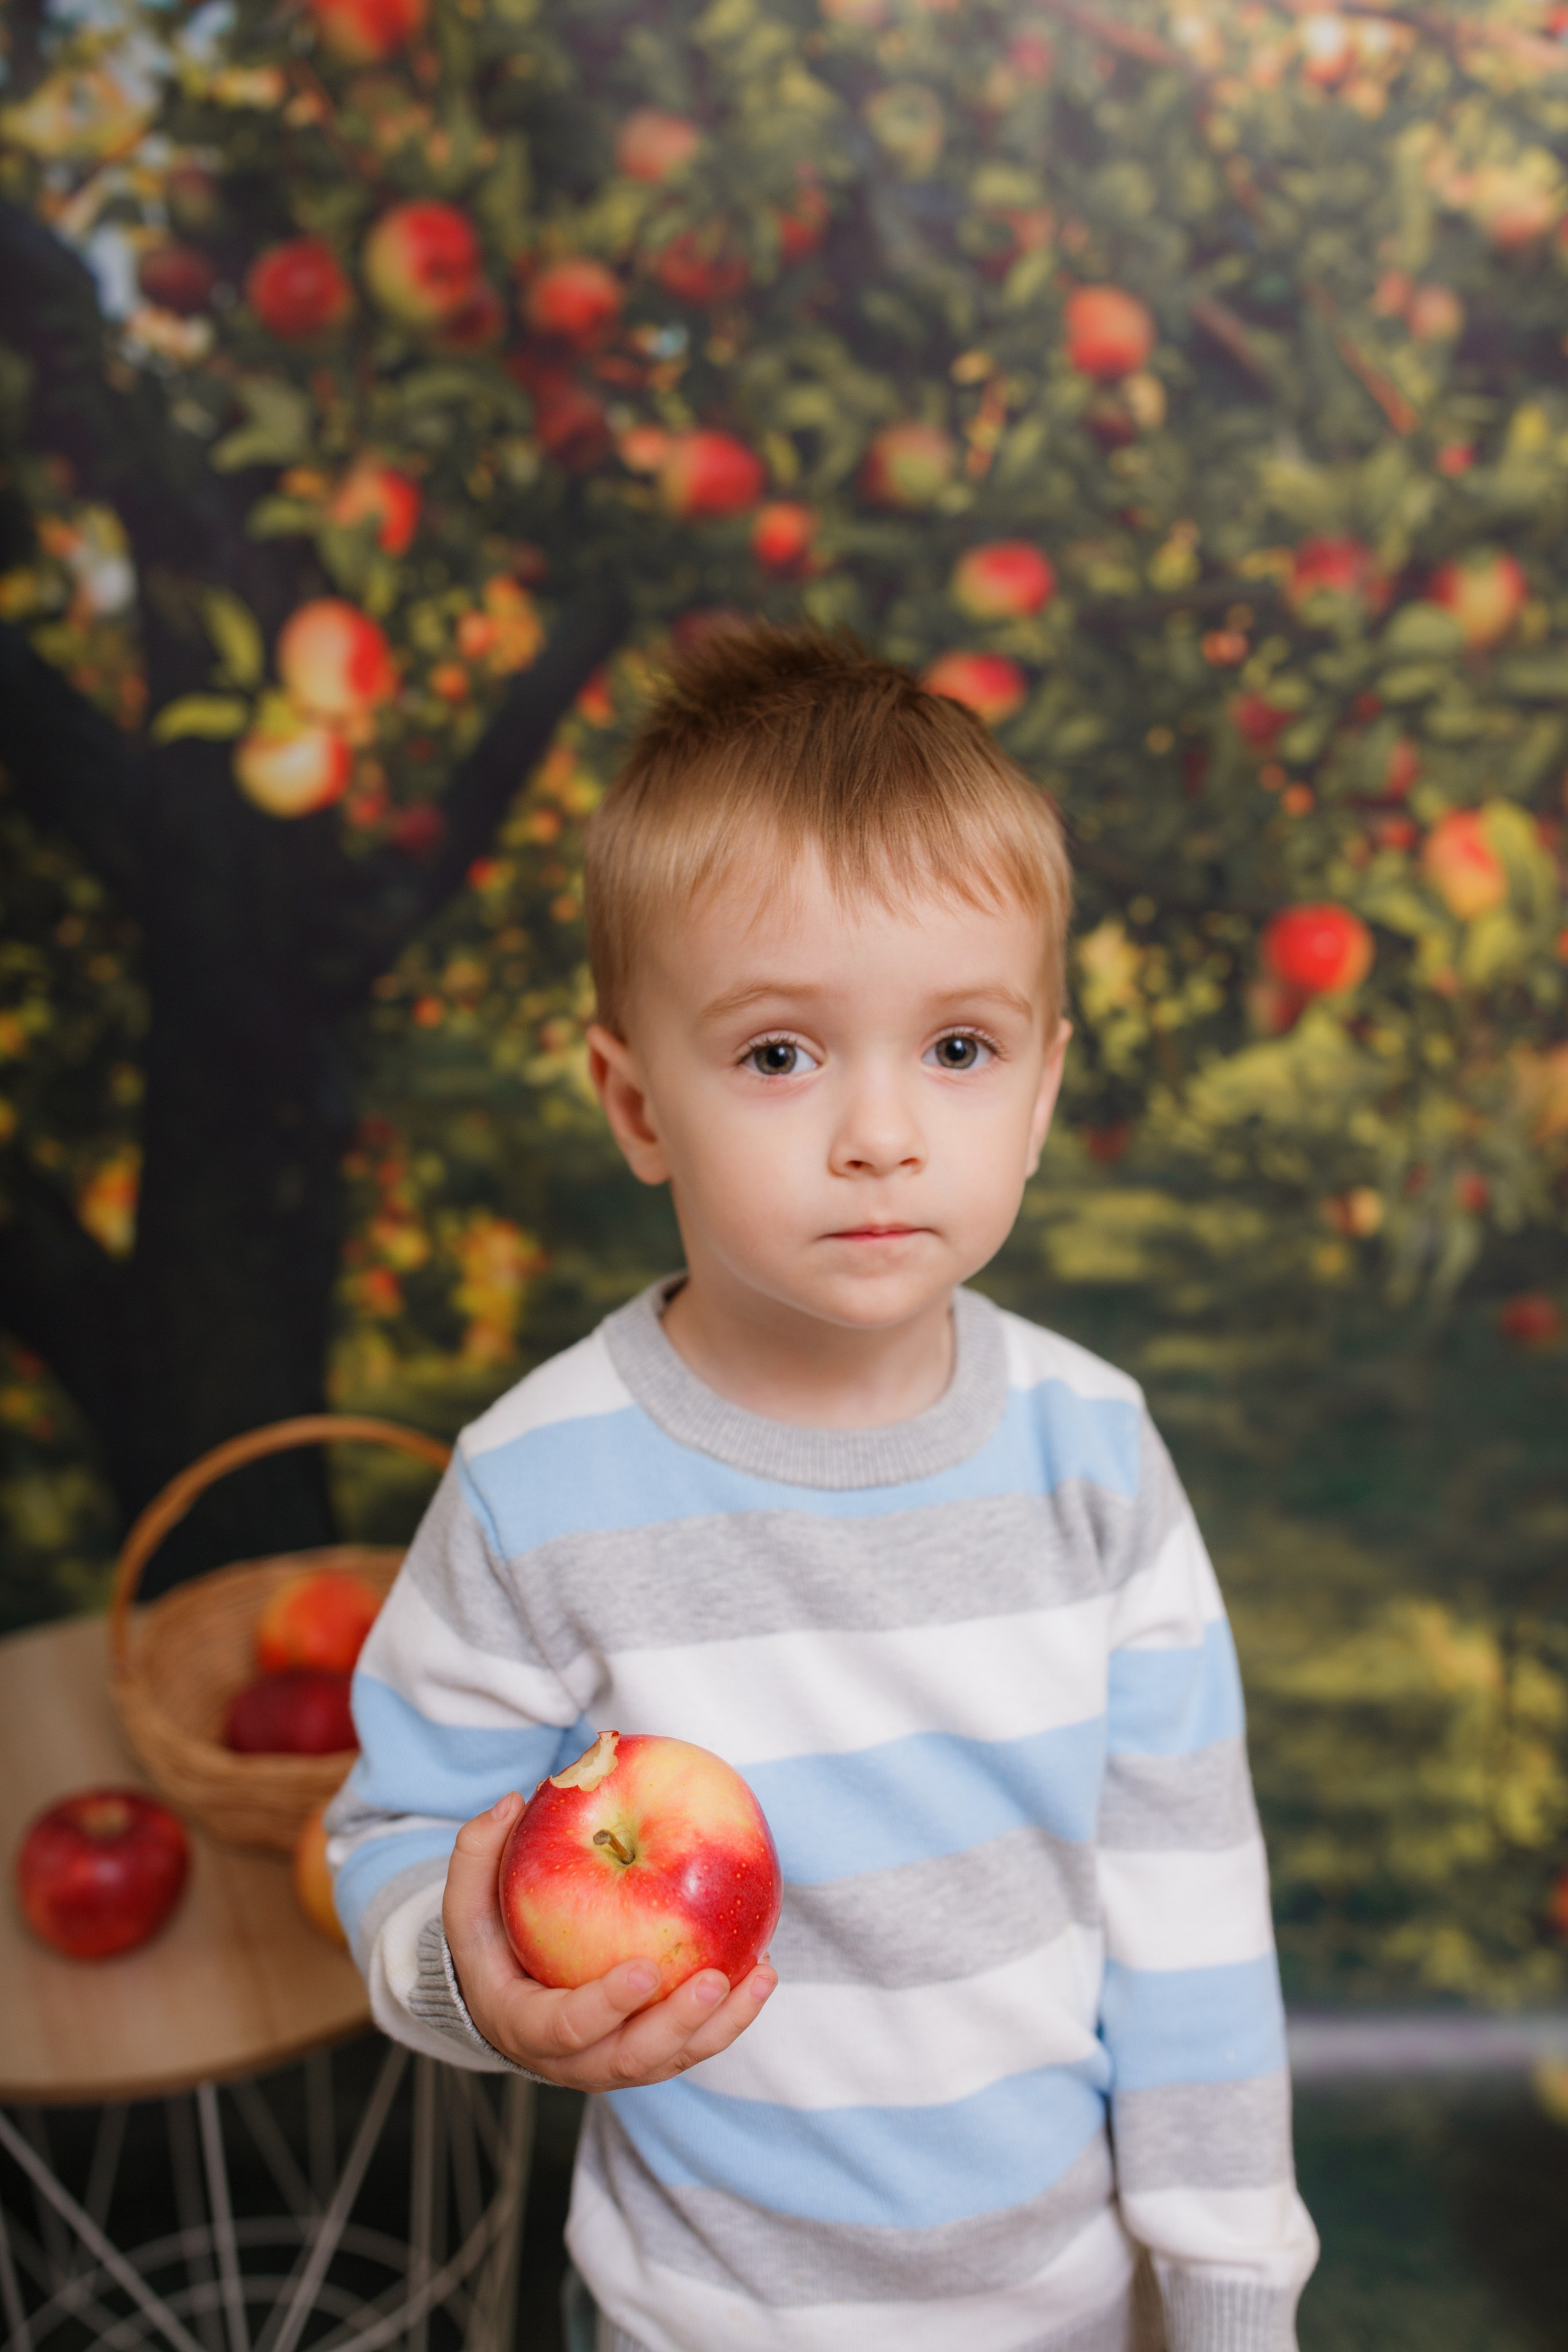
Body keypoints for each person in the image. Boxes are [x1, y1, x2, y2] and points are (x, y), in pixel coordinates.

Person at [326, 624, 1319, 2352]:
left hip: (1061, 2309)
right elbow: (402, 1833)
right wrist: (468, 1980)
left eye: (957, 1049)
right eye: (782, 1054)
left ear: (1044, 1087)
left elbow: (1194, 1919)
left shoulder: (1094, 1458)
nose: (881, 1132)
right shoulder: (535, 1488)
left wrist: (1229, 2297)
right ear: (638, 1104)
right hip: (696, 2315)